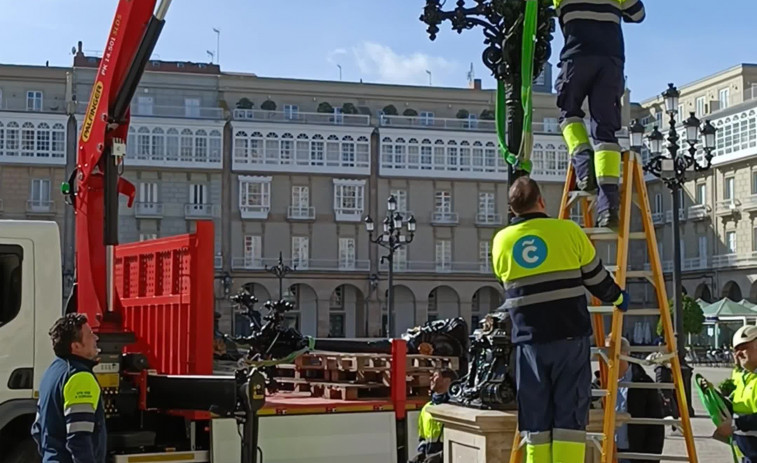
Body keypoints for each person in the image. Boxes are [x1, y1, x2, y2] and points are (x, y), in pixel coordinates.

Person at [492, 176, 628, 463]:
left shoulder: (501, 241)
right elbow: (596, 278)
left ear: (512, 209)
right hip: (569, 338)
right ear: (541, 201)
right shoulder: (568, 231)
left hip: (529, 344)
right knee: (569, 419)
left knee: (536, 424)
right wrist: (617, 297)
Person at [553, 0, 646, 228]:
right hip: (610, 61)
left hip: (576, 57)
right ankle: (608, 209)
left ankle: (584, 168)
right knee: (606, 134)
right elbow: (638, 15)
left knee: (569, 114)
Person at [31, 313, 106, 463]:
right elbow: (79, 439)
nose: (95, 338)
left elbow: (37, 430)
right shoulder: (80, 377)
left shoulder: (51, 372)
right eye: (90, 335)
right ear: (76, 346)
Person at [605, 335, 664, 463]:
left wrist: (650, 459)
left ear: (625, 353)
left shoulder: (643, 383)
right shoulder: (600, 383)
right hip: (606, 454)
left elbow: (656, 426)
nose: (606, 356)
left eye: (610, 351)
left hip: (633, 456)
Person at [715, 325, 757, 461]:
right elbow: (738, 408)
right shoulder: (744, 376)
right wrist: (713, 397)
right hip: (748, 454)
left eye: (744, 347)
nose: (738, 354)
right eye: (736, 350)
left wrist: (735, 424)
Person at [412, 368, 457, 463]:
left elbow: (463, 443)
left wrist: (442, 456)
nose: (431, 378)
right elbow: (423, 438)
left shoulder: (456, 407)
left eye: (435, 375)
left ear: (447, 380)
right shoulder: (426, 408)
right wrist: (421, 453)